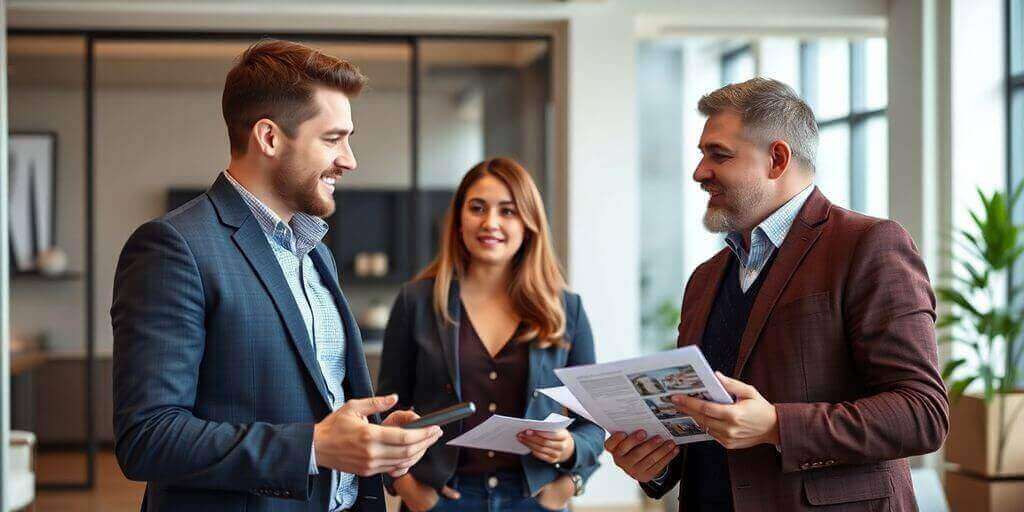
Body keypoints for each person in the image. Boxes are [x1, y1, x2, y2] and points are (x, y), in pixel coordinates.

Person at [111, 40, 442, 512]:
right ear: (269, 137)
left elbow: (315, 406)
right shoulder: (173, 247)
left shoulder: (315, 254)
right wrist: (314, 446)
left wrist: (371, 439)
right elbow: (148, 437)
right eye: (333, 139)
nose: (349, 160)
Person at [605, 78, 949, 511]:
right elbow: (705, 430)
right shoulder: (706, 278)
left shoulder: (868, 245)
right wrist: (654, 465)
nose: (699, 172)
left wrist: (776, 426)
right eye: (701, 155)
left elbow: (922, 414)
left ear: (777, 158)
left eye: (719, 155)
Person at [377, 158, 604, 512]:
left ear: (529, 223)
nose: (490, 223)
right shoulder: (415, 302)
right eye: (477, 208)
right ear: (459, 219)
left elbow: (593, 422)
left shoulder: (565, 309)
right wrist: (405, 485)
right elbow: (386, 411)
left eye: (508, 211)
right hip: (440, 498)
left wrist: (570, 463)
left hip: (534, 498)